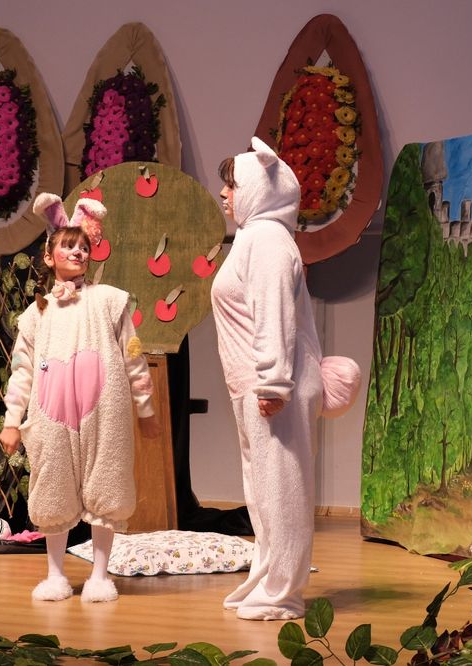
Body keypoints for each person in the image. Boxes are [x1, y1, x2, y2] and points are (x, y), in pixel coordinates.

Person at [0, 193, 160, 603]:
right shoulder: (36, 315)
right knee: (52, 486)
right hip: (51, 417)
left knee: (107, 484)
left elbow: (133, 355)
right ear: (49, 256)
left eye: (83, 247)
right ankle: (55, 575)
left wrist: (145, 409)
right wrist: (12, 421)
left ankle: (100, 575)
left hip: (104, 414)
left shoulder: (109, 301)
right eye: (68, 246)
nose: (77, 252)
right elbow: (22, 370)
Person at [210, 137, 324, 620]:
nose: (223, 193)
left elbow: (273, 314)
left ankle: (284, 594)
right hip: (256, 386)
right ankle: (267, 580)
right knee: (264, 493)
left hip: (273, 389)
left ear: (259, 189)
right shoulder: (254, 237)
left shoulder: (267, 241)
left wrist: (274, 384)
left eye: (233, 185)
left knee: (283, 491)